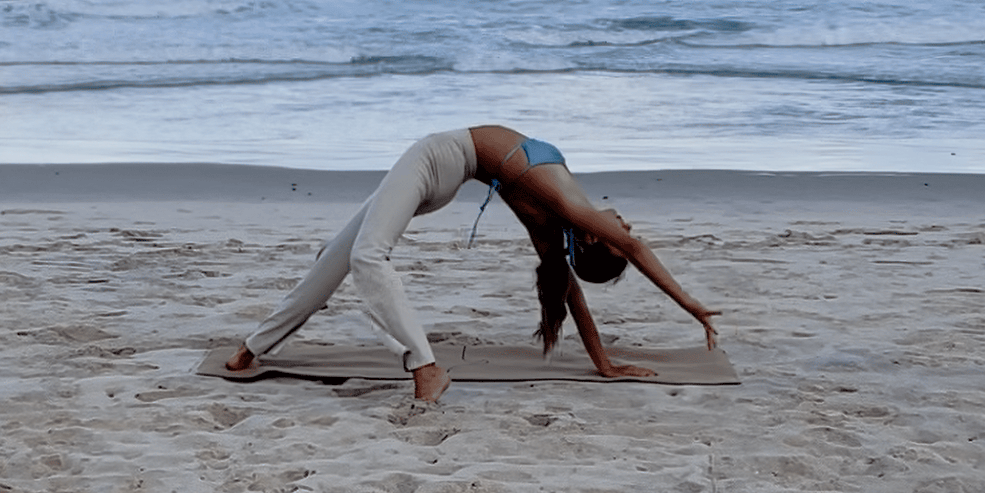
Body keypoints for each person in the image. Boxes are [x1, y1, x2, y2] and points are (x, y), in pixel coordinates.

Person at [225, 125, 720, 402]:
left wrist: (690, 305)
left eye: (618, 237)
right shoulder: (557, 220)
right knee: (336, 258)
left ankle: (426, 368)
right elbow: (573, 292)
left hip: (433, 160)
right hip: (440, 170)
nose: (626, 229)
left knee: (368, 257)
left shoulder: (573, 213)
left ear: (594, 237)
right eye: (624, 232)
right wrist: (605, 365)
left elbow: (615, 264)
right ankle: (254, 346)